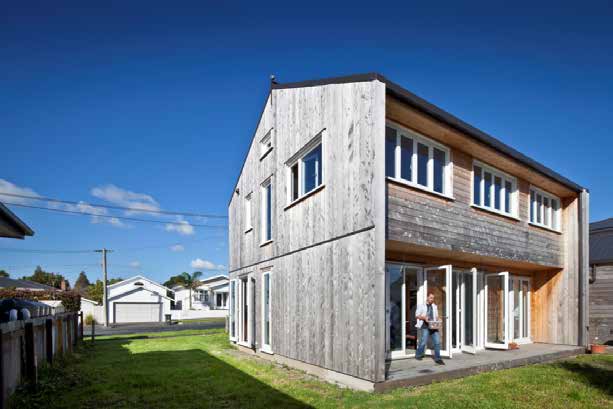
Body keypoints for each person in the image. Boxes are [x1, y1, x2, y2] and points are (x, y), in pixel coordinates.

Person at [415, 293, 445, 365]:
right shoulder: (421, 306)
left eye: (433, 298)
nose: (432, 299)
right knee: (423, 342)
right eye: (431, 298)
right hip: (425, 326)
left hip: (433, 326)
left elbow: (436, 316)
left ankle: (438, 358)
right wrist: (424, 318)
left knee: (437, 342)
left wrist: (439, 319)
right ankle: (418, 355)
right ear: (427, 298)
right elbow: (417, 316)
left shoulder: (434, 306)